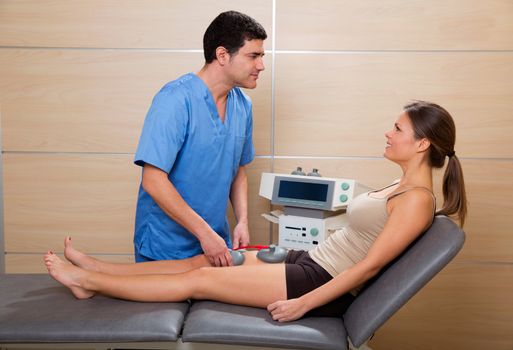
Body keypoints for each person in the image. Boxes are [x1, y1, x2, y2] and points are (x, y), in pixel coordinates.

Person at [45, 101, 467, 322]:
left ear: (422, 143)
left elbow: (367, 269)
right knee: (205, 258)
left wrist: (303, 304)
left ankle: (88, 282)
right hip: (311, 262)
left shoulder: (416, 201)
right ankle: (98, 268)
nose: (388, 133)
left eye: (398, 128)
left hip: (318, 283)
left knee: (200, 279)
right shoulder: (402, 185)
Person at [133, 11, 267, 266]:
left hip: (215, 244)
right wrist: (205, 234)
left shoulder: (243, 106)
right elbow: (153, 180)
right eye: (253, 56)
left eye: (262, 56)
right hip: (165, 245)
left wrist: (242, 222)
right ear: (222, 55)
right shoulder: (174, 100)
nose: (261, 65)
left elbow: (238, 171)